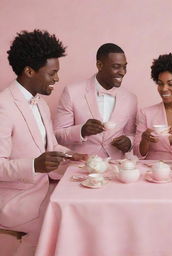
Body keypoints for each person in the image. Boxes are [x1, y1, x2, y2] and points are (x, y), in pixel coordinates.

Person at [0, 29, 86, 256]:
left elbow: (49, 148)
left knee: (77, 210)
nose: (57, 79)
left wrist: (71, 155)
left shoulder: (40, 104)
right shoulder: (3, 107)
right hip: (14, 199)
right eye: (52, 73)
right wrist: (34, 166)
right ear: (29, 71)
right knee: (63, 225)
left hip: (43, 190)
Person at [54, 43, 137, 159]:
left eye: (124, 67)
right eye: (116, 66)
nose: (122, 72)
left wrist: (129, 142)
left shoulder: (130, 99)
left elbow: (132, 134)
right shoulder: (72, 92)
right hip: (81, 166)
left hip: (116, 167)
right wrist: (81, 131)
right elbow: (57, 135)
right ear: (100, 65)